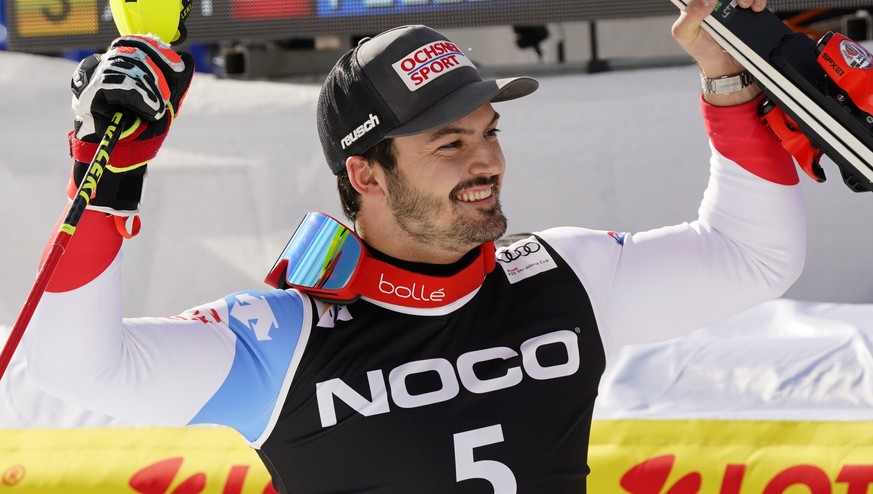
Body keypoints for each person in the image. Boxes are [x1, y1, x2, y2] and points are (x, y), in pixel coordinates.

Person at [25, 0, 805, 492]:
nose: (487, 161)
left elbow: (751, 258)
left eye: (489, 133)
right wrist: (109, 173)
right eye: (449, 142)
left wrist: (729, 85)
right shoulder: (283, 335)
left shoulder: (566, 276)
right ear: (364, 171)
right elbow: (74, 368)